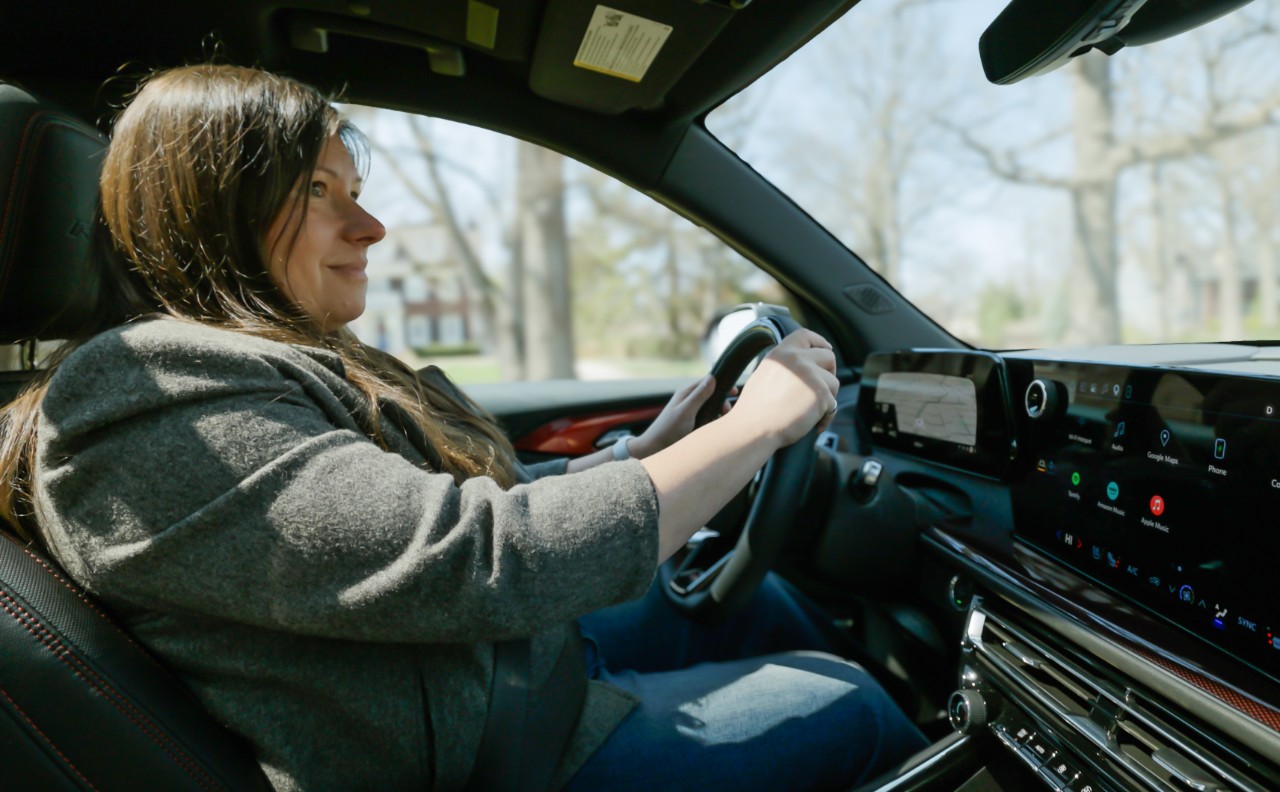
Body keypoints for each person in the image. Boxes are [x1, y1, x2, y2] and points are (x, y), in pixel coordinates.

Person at [0, 64, 925, 790]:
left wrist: (642, 455)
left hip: (493, 669)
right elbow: (472, 558)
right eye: (318, 190)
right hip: (491, 754)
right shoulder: (145, 390)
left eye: (352, 187)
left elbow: (422, 512)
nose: (370, 225)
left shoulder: (248, 360)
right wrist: (754, 427)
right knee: (851, 706)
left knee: (757, 601)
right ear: (211, 210)